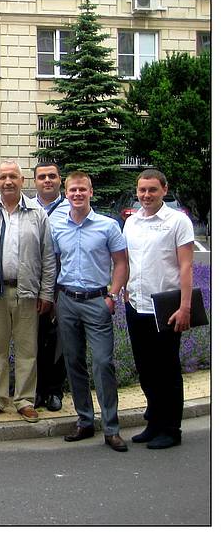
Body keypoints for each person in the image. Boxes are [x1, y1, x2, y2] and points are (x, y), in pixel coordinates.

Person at [50, 172, 129, 452]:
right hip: (67, 301)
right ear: (66, 193)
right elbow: (55, 263)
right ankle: (84, 420)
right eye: (73, 190)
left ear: (91, 192)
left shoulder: (108, 226)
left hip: (97, 301)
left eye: (82, 189)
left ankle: (111, 428)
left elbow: (121, 263)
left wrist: (112, 295)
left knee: (103, 363)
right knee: (73, 363)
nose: (77, 194)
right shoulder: (58, 227)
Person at [0, 160, 56, 423]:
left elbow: (48, 257)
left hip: (27, 292)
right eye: (3, 177)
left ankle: (24, 400)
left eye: (13, 177)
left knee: (27, 349)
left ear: (22, 181)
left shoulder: (37, 214)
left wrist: (46, 293)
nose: (8, 181)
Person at [124, 168, 194, 449]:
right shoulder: (131, 222)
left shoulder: (178, 221)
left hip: (166, 308)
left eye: (152, 189)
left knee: (167, 370)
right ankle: (153, 422)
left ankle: (171, 429)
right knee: (146, 369)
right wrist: (123, 290)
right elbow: (128, 261)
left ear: (164, 190)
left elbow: (186, 266)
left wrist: (185, 306)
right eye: (142, 190)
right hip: (136, 305)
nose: (146, 195)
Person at [30, 162, 69, 412]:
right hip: (33, 284)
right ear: (34, 181)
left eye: (52, 176)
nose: (47, 180)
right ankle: (36, 390)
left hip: (62, 284)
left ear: (60, 180)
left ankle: (55, 390)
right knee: (33, 339)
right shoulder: (27, 208)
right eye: (42, 176)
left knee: (58, 341)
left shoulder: (71, 207)